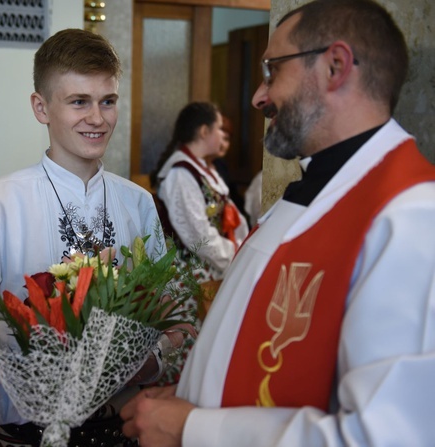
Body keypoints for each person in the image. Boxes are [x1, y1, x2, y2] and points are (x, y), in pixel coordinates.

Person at [121, 0, 435, 446]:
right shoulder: (318, 192)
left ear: (335, 66)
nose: (258, 96)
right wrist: (194, 397)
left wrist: (194, 427)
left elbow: (381, 435)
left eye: (273, 70)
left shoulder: (410, 219)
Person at [0, 28, 184, 447]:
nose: (97, 118)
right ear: (41, 108)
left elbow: (169, 312)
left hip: (120, 423)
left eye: (108, 101)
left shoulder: (137, 204)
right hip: (20, 428)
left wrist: (146, 363)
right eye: (79, 101)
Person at [150, 102, 249, 384]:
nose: (222, 135)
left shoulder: (204, 169)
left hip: (213, 269)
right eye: (219, 128)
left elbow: (233, 219)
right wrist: (235, 259)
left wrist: (241, 247)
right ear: (204, 131)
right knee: (190, 355)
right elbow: (199, 237)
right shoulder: (181, 173)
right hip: (190, 278)